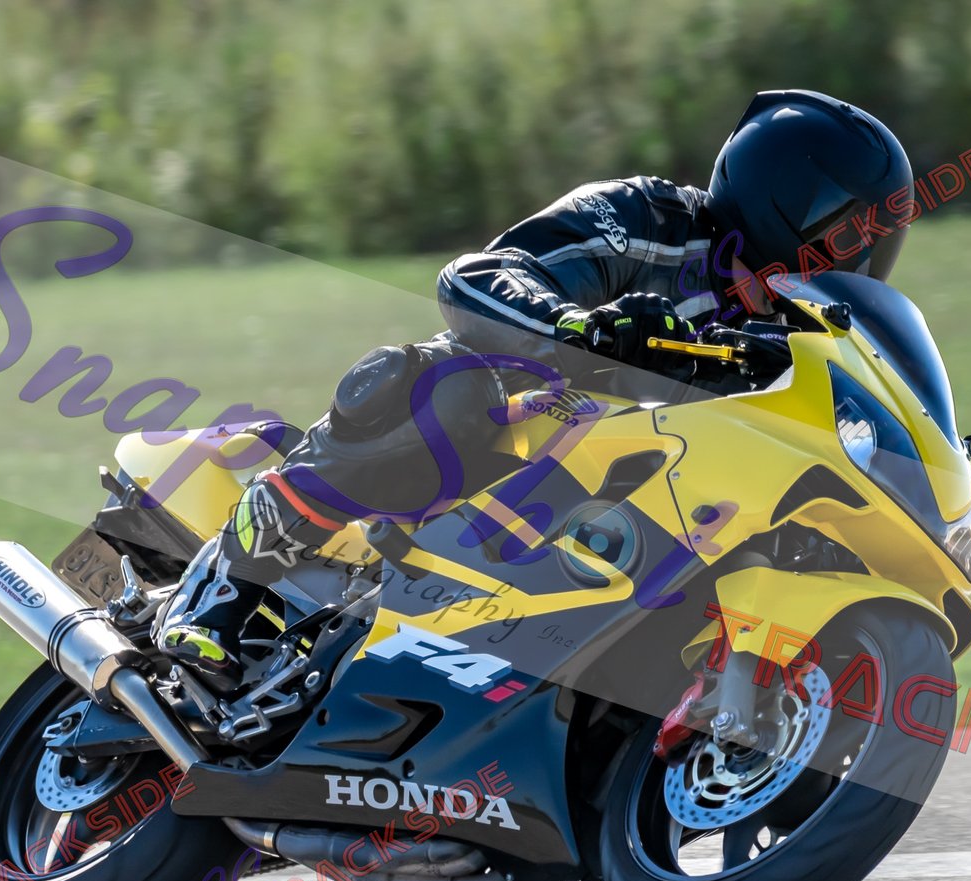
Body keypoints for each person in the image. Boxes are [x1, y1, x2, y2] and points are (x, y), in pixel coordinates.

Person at [155, 88, 916, 693]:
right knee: (451, 392)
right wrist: (579, 328)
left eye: (876, 238)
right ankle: (229, 581)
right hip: (520, 428)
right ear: (784, 196)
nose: (860, 251)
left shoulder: (801, 333)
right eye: (848, 229)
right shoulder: (646, 219)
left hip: (625, 503)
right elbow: (478, 278)